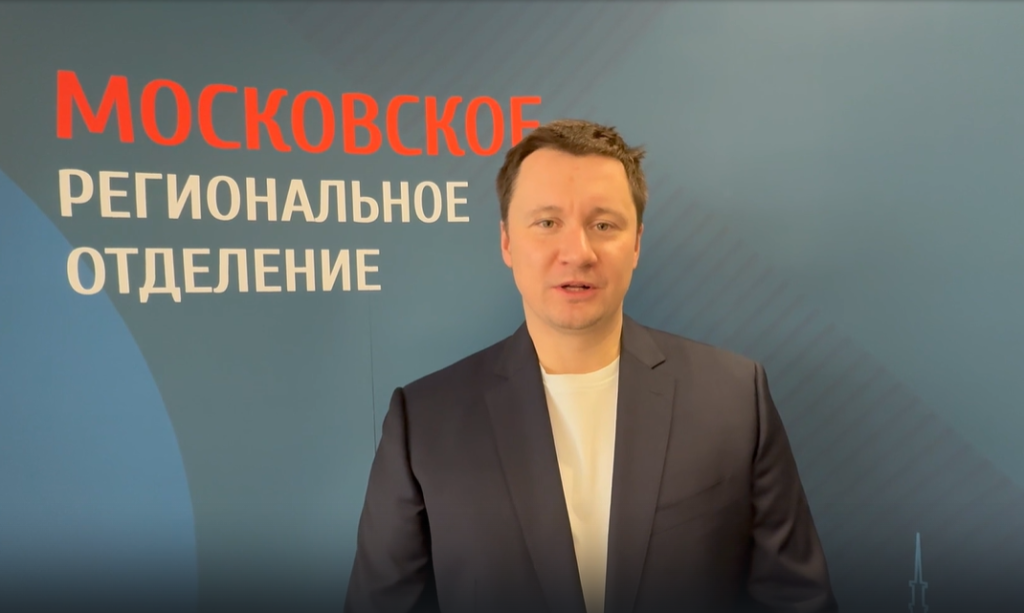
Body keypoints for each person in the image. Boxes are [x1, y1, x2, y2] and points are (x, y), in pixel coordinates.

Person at [344, 119, 838, 613]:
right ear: (507, 242)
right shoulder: (425, 420)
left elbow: (799, 601)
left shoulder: (733, 397)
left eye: (603, 225)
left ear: (637, 243)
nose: (577, 253)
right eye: (547, 223)